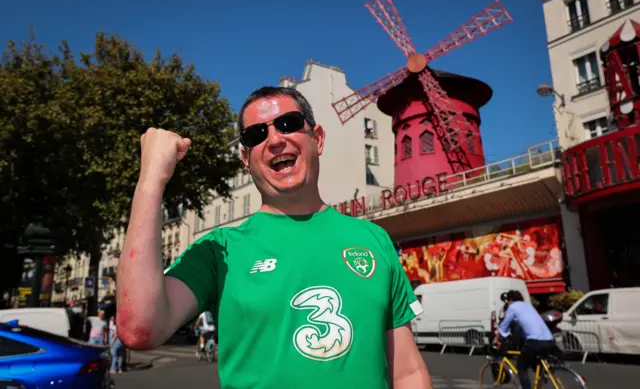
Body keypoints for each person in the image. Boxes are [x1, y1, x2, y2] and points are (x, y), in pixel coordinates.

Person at [116, 86, 433, 389]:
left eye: (288, 124)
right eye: (257, 135)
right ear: (245, 158)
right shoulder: (218, 250)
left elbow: (407, 370)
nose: (274, 140)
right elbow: (138, 329)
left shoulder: (373, 239)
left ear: (317, 138)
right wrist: (151, 179)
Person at [492, 290, 556, 389]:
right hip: (549, 340)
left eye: (508, 302)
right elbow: (521, 328)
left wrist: (496, 339)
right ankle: (542, 376)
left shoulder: (512, 307)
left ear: (510, 300)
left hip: (536, 341)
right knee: (532, 359)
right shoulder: (528, 306)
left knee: (521, 368)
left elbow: (504, 324)